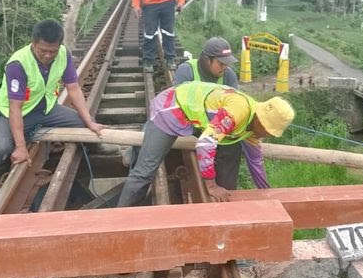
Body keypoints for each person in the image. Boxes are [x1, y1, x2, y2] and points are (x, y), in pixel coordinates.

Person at [116, 82, 295, 207]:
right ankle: (120, 220)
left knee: (222, 148)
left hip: (195, 121)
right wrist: (211, 186)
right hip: (172, 108)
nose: (266, 134)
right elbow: (205, 144)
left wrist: (268, 195)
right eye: (266, 129)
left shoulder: (253, 129)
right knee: (145, 172)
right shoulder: (238, 111)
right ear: (260, 119)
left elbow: (256, 163)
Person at [0, 19, 104, 182]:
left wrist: (89, 121)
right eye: (43, 50)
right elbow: (15, 108)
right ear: (33, 43)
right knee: (2, 150)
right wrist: (21, 148)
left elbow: (73, 88)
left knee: (87, 123)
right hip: (12, 113)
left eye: (53, 51)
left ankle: (96, 150)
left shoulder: (64, 54)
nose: (48, 55)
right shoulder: (18, 64)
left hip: (46, 109)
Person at [173, 37, 241, 190]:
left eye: (227, 63)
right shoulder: (187, 70)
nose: (225, 67)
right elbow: (177, 105)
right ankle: (135, 153)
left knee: (234, 144)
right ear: (206, 59)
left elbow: (234, 108)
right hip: (189, 127)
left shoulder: (228, 76)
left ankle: (228, 190)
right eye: (221, 63)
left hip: (215, 130)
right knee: (156, 130)